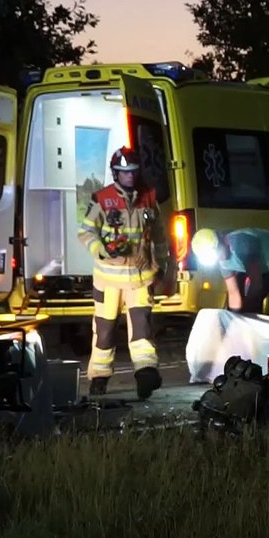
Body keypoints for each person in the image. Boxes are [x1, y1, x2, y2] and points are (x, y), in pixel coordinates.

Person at [78, 146, 169, 399]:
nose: (130, 176)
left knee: (142, 327)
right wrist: (103, 250)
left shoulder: (148, 197)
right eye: (124, 172)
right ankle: (99, 377)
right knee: (105, 330)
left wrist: (162, 264)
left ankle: (146, 375)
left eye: (133, 171)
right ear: (115, 173)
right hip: (108, 279)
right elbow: (86, 232)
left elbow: (160, 235)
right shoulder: (102, 198)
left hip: (141, 277)